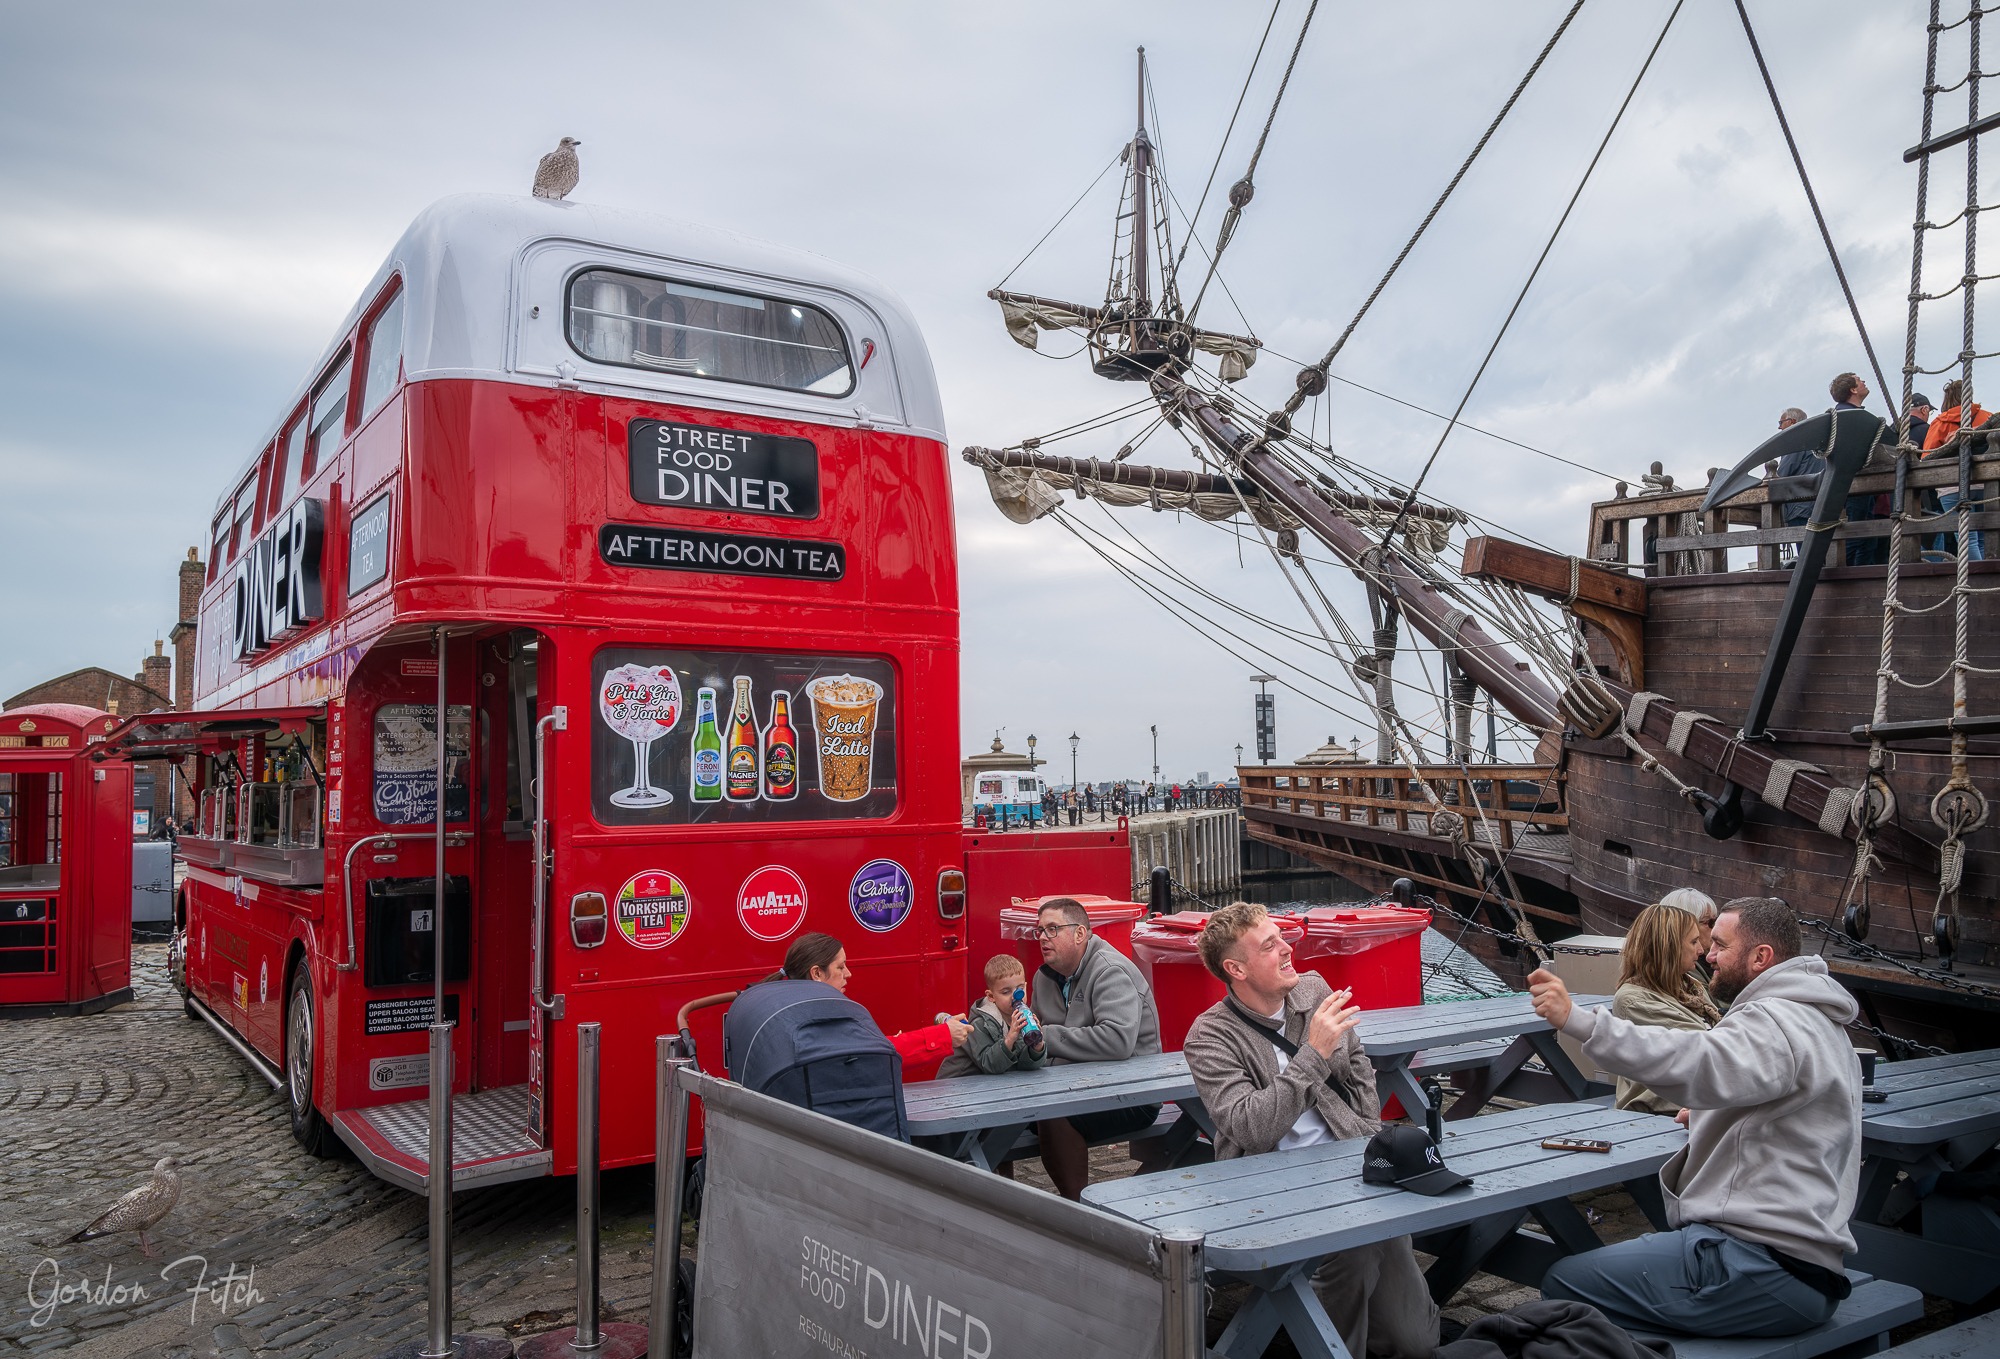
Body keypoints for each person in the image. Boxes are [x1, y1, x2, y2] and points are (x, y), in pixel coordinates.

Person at [1529, 897, 1862, 1339]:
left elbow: (1695, 1061)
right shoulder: (1820, 1022)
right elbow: (1782, 1099)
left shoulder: (1774, 1021)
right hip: (1810, 1270)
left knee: (1563, 1287)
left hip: (1757, 1267)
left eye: (1721, 945)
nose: (1709, 954)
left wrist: (1581, 1023)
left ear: (1761, 957)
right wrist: (1714, 1111)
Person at [1182, 902, 1439, 1358]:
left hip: (1351, 1165)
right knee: (1355, 1248)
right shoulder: (1209, 1036)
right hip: (1268, 1187)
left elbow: (1359, 1067)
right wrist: (1313, 1056)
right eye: (1270, 945)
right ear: (1235, 968)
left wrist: (1365, 1134)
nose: (1287, 948)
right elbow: (1250, 1127)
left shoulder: (1313, 989)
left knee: (1416, 1342)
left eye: (1281, 936)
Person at [1029, 897, 1164, 1199]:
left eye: (1052, 929)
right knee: (1005, 1110)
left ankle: (1079, 1207)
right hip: (1077, 1087)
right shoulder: (1042, 978)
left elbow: (1117, 1040)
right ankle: (1000, 1203)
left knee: (1051, 1112)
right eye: (1039, 931)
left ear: (1080, 934)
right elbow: (1037, 1042)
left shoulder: (1110, 970)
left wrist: (1045, 1038)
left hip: (1132, 1095)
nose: (1043, 938)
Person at [782, 933, 970, 1077]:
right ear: (816, 973)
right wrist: (945, 1034)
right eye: (840, 967)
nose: (848, 974)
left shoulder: (788, 1005)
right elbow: (872, 1054)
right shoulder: (820, 1014)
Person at [1608, 904, 1720, 1116]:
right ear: (1669, 946)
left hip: (1691, 1101)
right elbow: (1704, 1048)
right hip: (1657, 1112)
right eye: (1693, 942)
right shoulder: (1633, 1000)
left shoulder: (1689, 986)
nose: (1701, 950)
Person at [937, 954, 1048, 1078]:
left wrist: (1036, 1047)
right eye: (1006, 992)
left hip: (987, 1085)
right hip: (958, 1084)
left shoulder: (1018, 1017)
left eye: (1020, 989)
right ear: (991, 996)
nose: (1015, 996)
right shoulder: (980, 1024)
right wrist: (1010, 1039)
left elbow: (1023, 1066)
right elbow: (990, 1065)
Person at [1923, 379, 1990, 561]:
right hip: (1986, 485)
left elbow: (1927, 457)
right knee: (1986, 536)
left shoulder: (1940, 423)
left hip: (1952, 486)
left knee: (1967, 538)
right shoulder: (1988, 418)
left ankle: (1976, 579)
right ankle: (1988, 578)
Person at [1830, 373, 1886, 565]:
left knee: (1865, 536)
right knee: (1860, 535)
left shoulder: (1841, 417)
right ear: (1853, 389)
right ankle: (1854, 575)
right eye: (1860, 380)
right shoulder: (1847, 418)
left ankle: (1857, 573)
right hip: (1854, 485)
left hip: (1859, 486)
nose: (1864, 382)